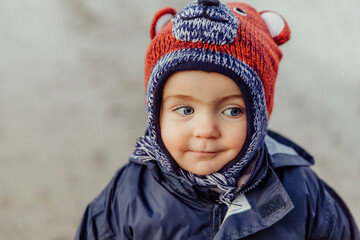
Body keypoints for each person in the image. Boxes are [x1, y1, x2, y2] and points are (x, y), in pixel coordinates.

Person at [75, 1, 360, 239]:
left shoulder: (299, 190)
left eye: (232, 111)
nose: (206, 130)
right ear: (156, 114)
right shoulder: (128, 195)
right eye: (185, 110)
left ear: (258, 117)